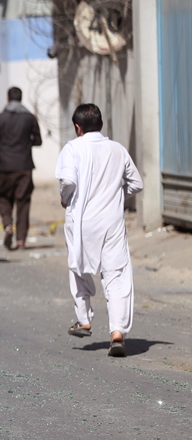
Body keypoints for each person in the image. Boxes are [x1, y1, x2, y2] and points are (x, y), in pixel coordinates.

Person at [56, 103, 143, 357]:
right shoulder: (117, 149)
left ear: (77, 127)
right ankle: (117, 333)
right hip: (112, 222)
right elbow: (136, 183)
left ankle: (84, 320)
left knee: (78, 267)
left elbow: (68, 181)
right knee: (115, 275)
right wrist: (117, 195)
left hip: (81, 222)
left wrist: (65, 198)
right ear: (101, 125)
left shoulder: (72, 147)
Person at [0, 87, 43, 250]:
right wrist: (24, 143)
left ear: (8, 98)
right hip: (24, 167)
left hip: (3, 167)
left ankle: (8, 225)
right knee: (23, 202)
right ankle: (21, 239)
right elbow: (38, 140)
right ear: (21, 98)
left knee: (3, 198)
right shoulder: (29, 118)